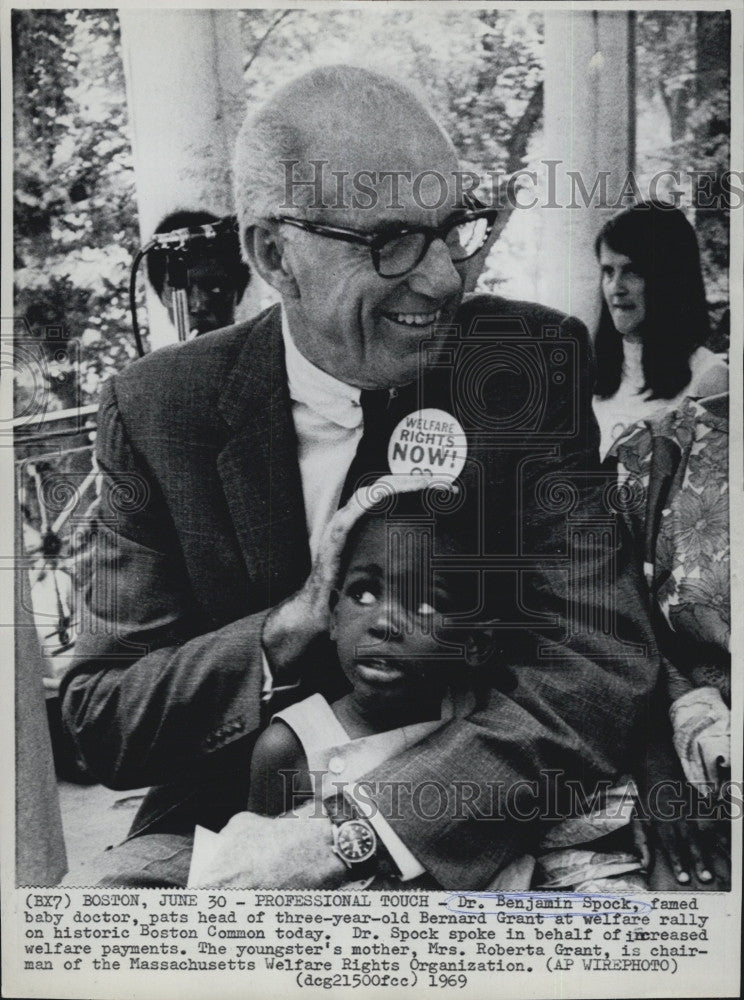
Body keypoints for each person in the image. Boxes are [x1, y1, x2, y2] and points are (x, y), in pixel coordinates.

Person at [60, 65, 658, 890]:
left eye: (454, 228)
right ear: (275, 254)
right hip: (230, 822)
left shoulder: (523, 362)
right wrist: (283, 631)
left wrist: (361, 833)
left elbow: (596, 659)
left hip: (483, 812)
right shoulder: (160, 409)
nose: (445, 276)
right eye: (391, 241)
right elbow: (104, 719)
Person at [591, 201, 728, 462]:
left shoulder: (710, 380)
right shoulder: (587, 373)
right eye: (608, 271)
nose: (615, 287)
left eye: (632, 271)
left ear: (669, 278)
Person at [146, 209, 251, 337]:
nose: (199, 305)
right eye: (182, 290)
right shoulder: (159, 358)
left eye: (216, 288)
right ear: (162, 296)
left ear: (238, 292)